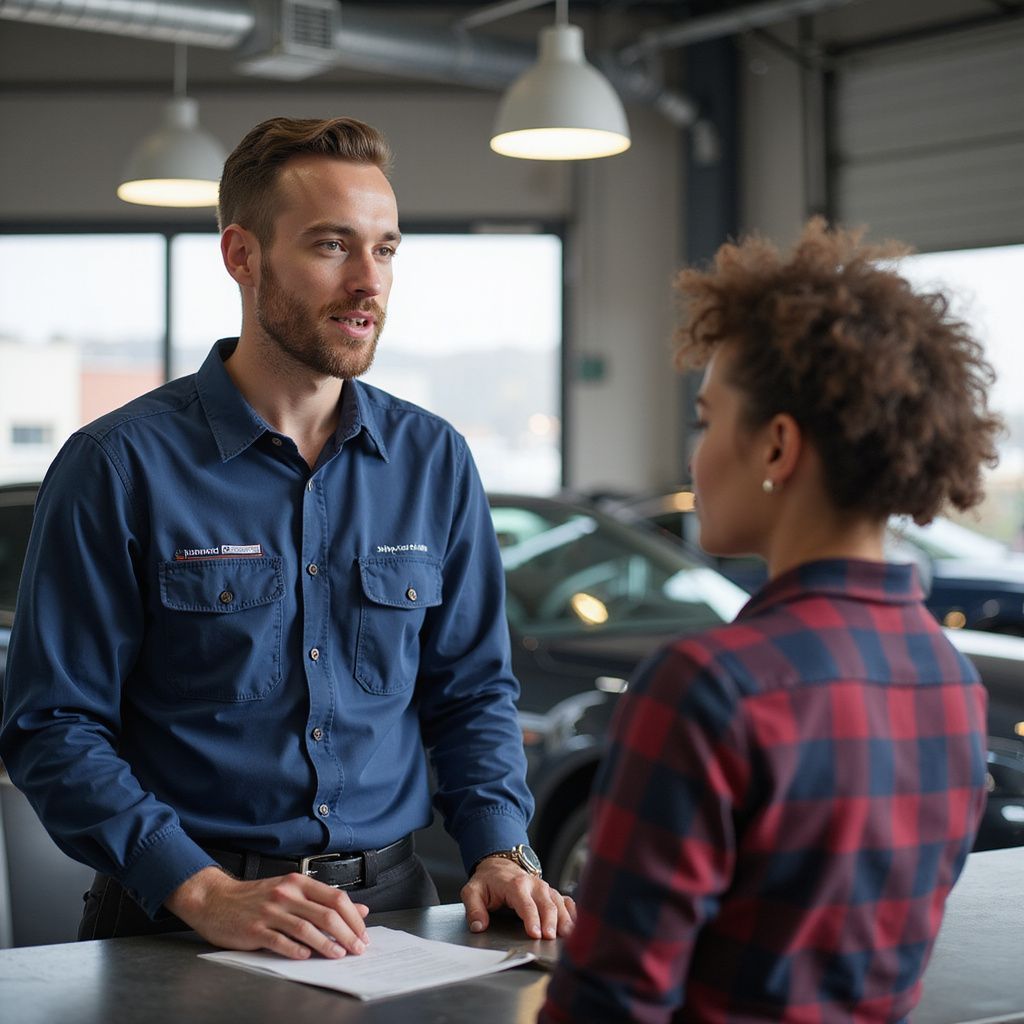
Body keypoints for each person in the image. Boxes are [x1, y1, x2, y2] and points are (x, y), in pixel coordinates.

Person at [0, 116, 574, 959]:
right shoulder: (118, 466)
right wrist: (201, 889)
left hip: (393, 915)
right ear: (243, 255)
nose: (367, 282)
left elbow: (472, 692)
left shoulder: (432, 460)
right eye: (332, 246)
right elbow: (51, 724)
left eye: (385, 250)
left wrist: (500, 847)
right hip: (181, 918)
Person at [539, 219, 999, 1022]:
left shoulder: (711, 689)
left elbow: (606, 1006)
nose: (696, 456)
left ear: (778, 447)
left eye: (709, 420)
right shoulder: (947, 676)